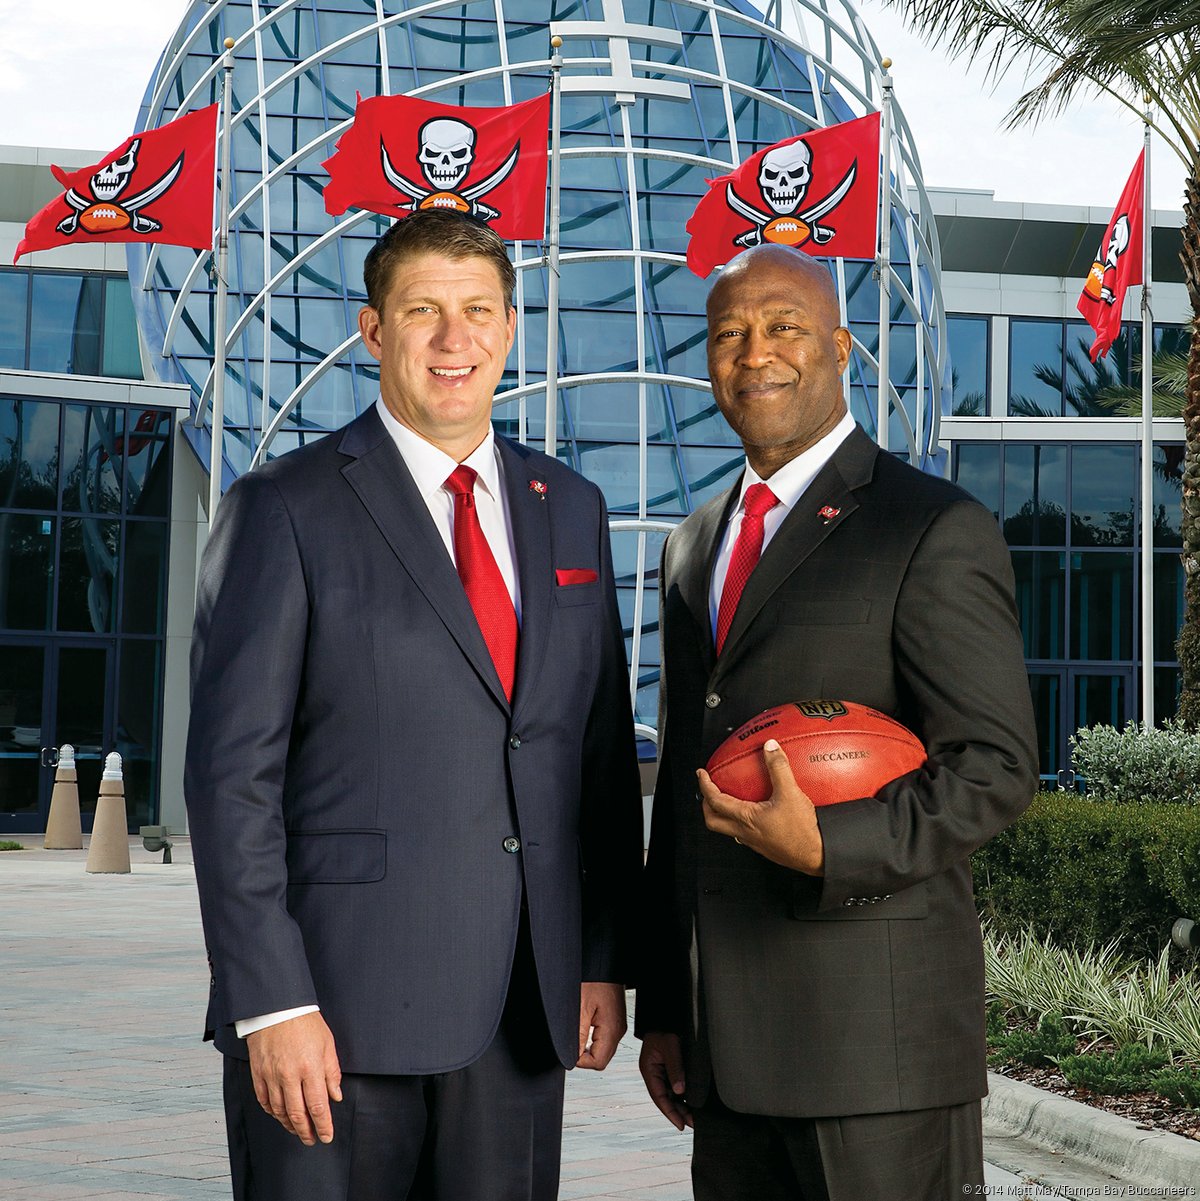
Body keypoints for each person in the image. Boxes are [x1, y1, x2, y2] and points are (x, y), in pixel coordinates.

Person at [185, 209, 644, 1201]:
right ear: (373, 331)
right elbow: (232, 781)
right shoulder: (283, 507)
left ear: (511, 331)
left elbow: (593, 752)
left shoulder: (571, 507)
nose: (454, 338)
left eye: (478, 311)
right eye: (424, 310)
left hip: (523, 1012)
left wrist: (600, 955)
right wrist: (271, 1003)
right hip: (333, 1021)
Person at [636, 244, 1038, 1200]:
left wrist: (825, 843)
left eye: (784, 327)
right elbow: (685, 792)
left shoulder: (930, 526)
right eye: (728, 334)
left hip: (875, 1056)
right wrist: (666, 1005)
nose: (755, 353)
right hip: (725, 1060)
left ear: (842, 346)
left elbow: (995, 766)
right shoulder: (693, 543)